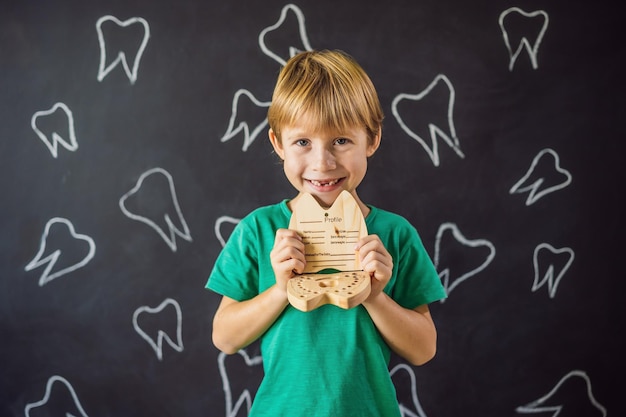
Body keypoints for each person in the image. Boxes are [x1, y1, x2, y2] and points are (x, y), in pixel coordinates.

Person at [207, 49, 447, 417]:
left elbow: (424, 349)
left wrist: (374, 295)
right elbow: (224, 337)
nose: (323, 162)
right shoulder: (258, 230)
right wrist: (280, 290)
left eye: (341, 141)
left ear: (372, 139)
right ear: (278, 144)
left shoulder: (394, 235)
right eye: (303, 142)